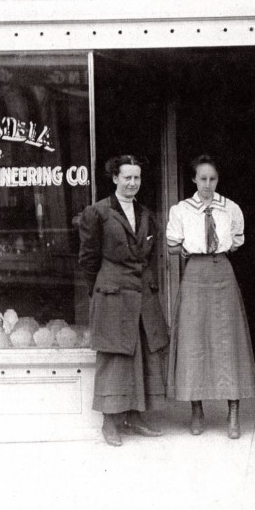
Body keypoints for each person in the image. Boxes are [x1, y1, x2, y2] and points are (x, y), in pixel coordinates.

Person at [78, 155, 169, 447]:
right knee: (114, 356)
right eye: (127, 177)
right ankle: (109, 423)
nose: (132, 183)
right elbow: (88, 259)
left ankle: (135, 416)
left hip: (141, 294)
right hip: (112, 294)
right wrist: (100, 290)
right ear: (115, 178)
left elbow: (151, 255)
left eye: (137, 178)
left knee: (141, 353)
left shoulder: (146, 214)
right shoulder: (98, 212)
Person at [166, 154, 255, 438]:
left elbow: (238, 241)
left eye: (212, 179)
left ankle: (234, 413)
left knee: (229, 341)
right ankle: (197, 409)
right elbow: (172, 244)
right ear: (193, 179)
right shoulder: (181, 209)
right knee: (194, 340)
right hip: (195, 273)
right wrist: (187, 249)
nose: (207, 184)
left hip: (222, 272)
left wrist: (218, 252)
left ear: (218, 180)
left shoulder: (230, 208)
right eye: (202, 178)